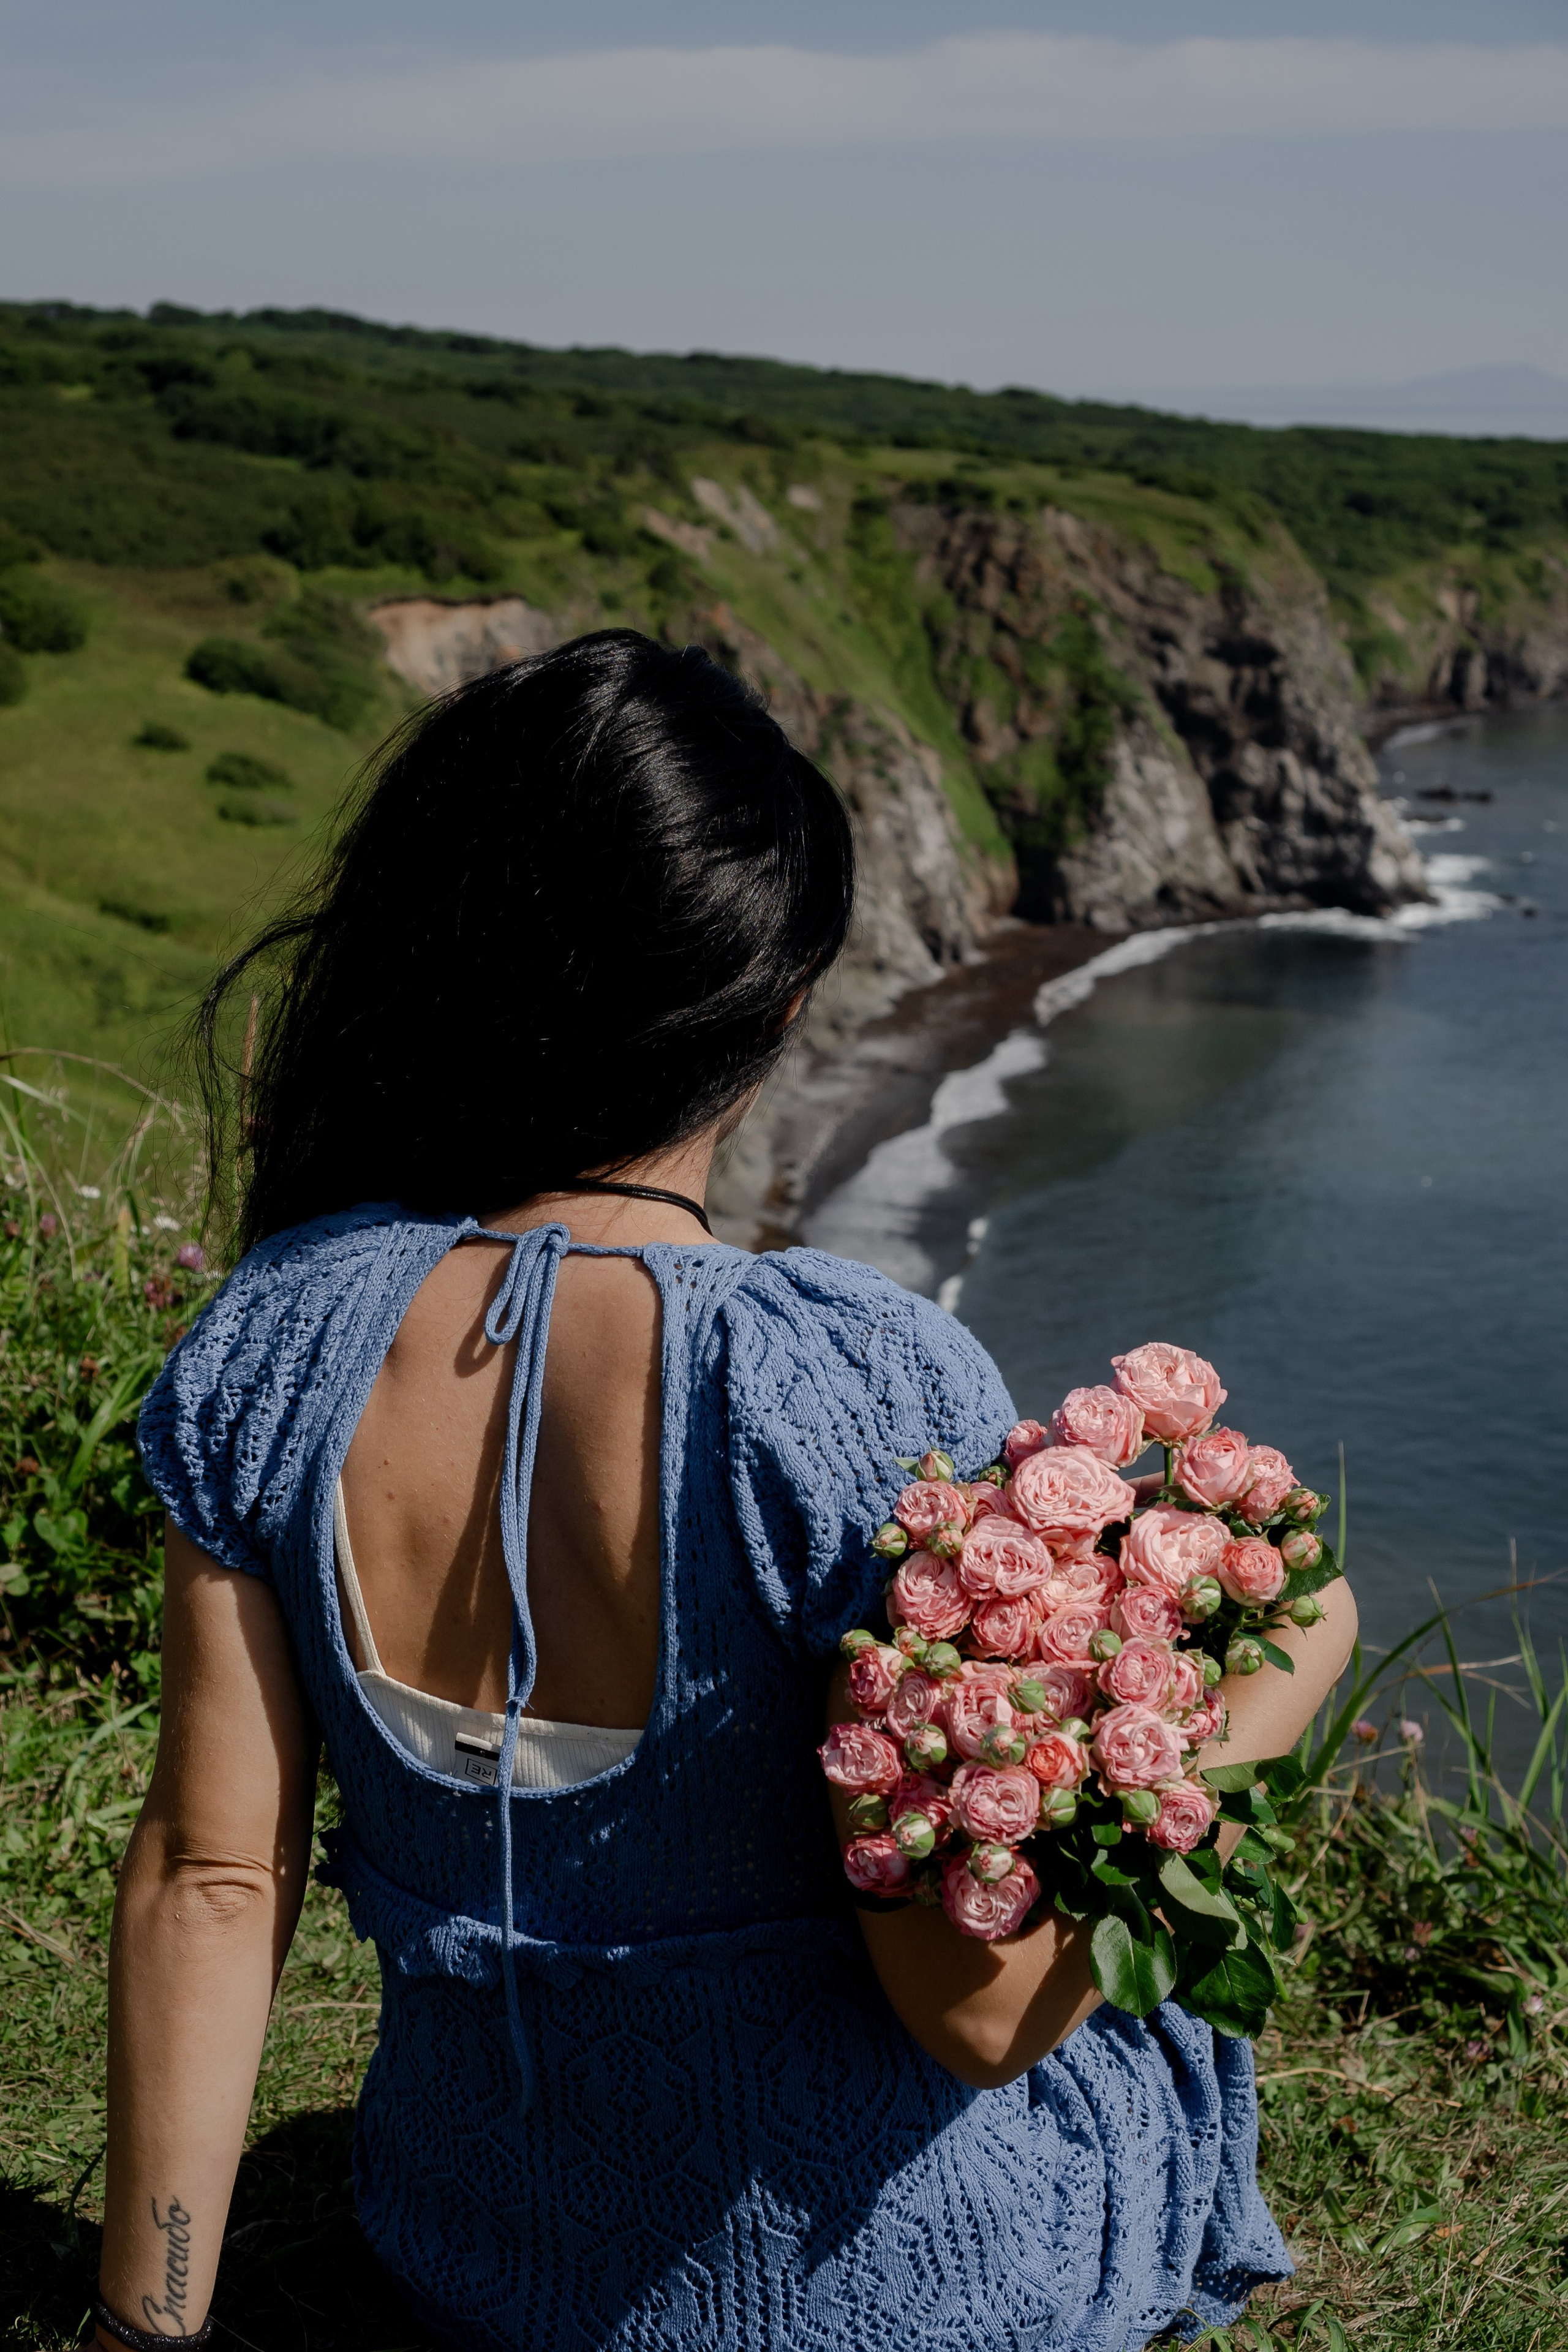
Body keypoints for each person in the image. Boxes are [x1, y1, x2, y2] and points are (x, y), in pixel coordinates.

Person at [98, 631, 1353, 2352]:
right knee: (1167, 1999)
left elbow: (212, 1880)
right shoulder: (837, 1382)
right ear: (774, 1011)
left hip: (472, 2261)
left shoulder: (275, 1343)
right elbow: (979, 2017)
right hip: (897, 2299)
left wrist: (146, 2325)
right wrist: (1281, 1663)